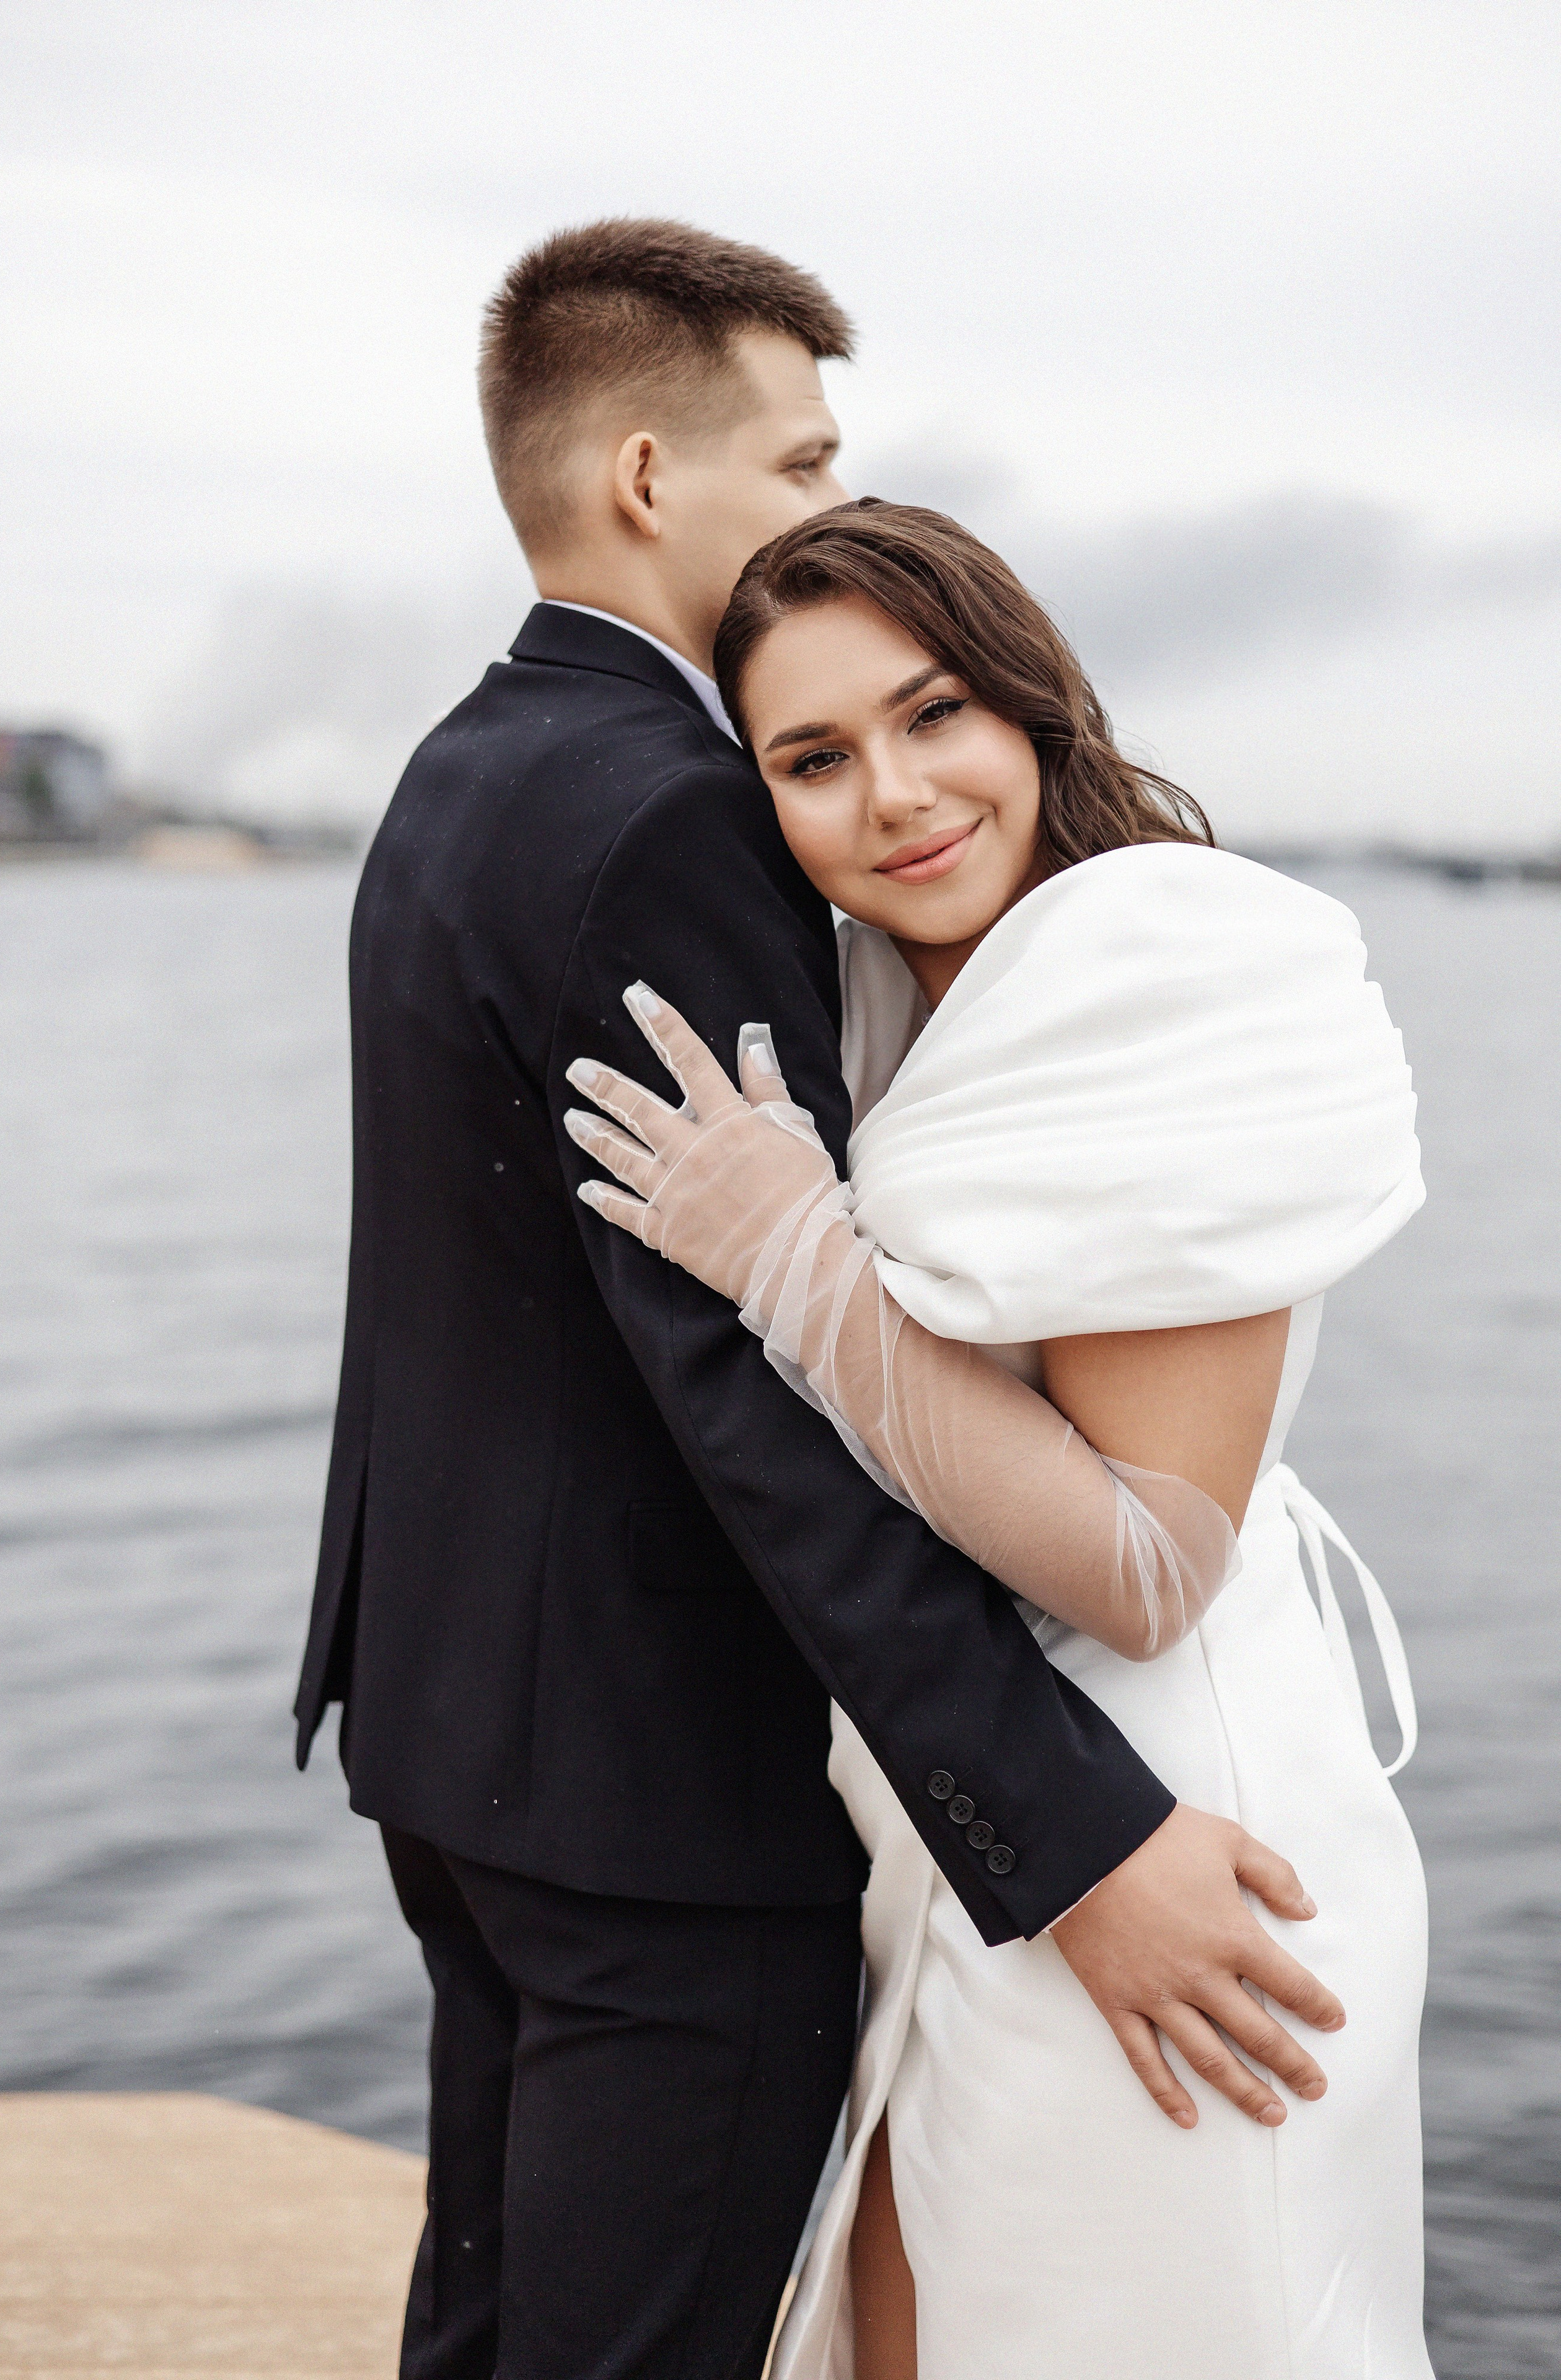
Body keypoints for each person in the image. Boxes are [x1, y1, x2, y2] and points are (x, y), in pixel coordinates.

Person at [296, 223, 1345, 2380]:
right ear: (658, 475)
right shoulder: (667, 813)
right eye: (801, 463)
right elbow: (737, 1395)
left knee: (498, 2333)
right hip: (657, 1790)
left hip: (459, 1731)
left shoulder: (461, 767)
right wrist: (1064, 1845)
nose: (829, 506)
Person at [565, 499, 1433, 2378]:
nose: (891, 793)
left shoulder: (1155, 970)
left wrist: (798, 1262)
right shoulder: (902, 985)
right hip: (981, 1796)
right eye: (814, 757)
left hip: (1166, 1807)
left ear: (1032, 704)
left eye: (935, 711)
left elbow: (1145, 1566)